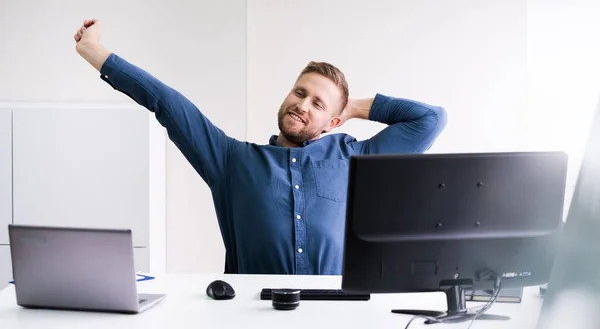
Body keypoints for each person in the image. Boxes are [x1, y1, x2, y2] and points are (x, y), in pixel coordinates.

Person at [73, 19, 448, 275]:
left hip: (337, 316)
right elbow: (169, 104)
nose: (302, 104)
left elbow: (430, 119)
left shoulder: (355, 159)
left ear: (334, 123)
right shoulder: (231, 161)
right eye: (300, 93)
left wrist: (349, 107)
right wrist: (95, 53)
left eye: (318, 103)